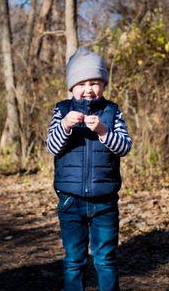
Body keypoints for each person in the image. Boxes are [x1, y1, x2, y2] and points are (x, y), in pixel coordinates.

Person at [46, 48, 132, 291]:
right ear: (72, 87)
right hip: (70, 200)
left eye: (95, 83)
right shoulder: (61, 111)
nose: (88, 89)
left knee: (106, 259)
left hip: (104, 201)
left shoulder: (112, 112)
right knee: (74, 260)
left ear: (103, 85)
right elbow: (51, 147)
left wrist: (104, 131)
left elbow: (125, 146)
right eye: (82, 83)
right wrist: (64, 126)